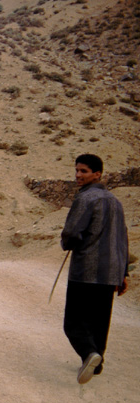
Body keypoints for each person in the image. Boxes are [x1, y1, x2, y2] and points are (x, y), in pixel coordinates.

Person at [60, 153, 129, 385]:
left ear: (97, 174)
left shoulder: (86, 199)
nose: (78, 175)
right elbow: (122, 239)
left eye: (84, 171)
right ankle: (96, 365)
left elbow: (71, 232)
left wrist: (69, 244)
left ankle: (89, 354)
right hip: (110, 274)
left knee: (73, 322)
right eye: (77, 170)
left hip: (85, 271)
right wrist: (124, 273)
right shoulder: (115, 202)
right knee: (100, 321)